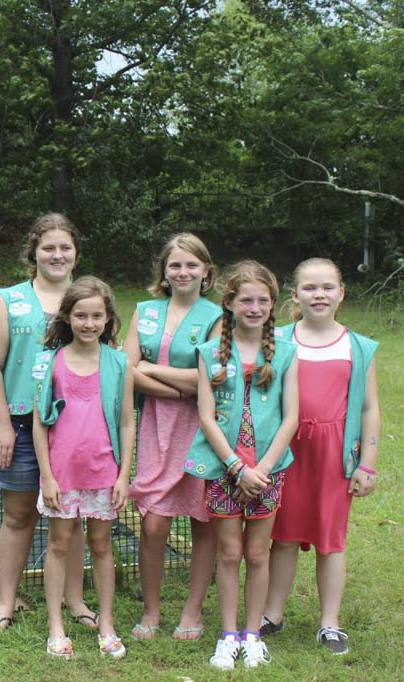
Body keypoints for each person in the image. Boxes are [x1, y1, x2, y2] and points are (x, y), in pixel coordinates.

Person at [0, 213, 98, 633]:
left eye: (65, 248)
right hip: (22, 425)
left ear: (76, 253)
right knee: (17, 516)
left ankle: (76, 600)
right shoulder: (8, 301)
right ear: (34, 252)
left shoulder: (87, 301)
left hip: (75, 427)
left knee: (73, 516)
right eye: (49, 247)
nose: (57, 255)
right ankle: (6, 602)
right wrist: (2, 425)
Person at [183, 260, 299, 670]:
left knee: (257, 554)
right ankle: (228, 635)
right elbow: (207, 416)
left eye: (263, 300)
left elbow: (291, 417)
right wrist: (236, 467)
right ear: (229, 303)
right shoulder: (208, 353)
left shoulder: (286, 353)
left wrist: (262, 469)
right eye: (245, 299)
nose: (254, 307)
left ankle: (253, 636)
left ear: (272, 305)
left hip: (268, 470)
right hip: (224, 470)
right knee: (229, 555)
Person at [261, 258, 380, 655]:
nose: (319, 294)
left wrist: (367, 462)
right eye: (310, 288)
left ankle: (330, 623)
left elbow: (368, 409)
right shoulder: (276, 339)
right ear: (294, 295)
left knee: (331, 540)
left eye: (328, 287)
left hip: (333, 454)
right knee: (283, 536)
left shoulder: (357, 346)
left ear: (342, 293)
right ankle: (271, 614)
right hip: (286, 450)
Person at [122, 233, 221, 642]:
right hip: (154, 427)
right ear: (164, 271)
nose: (183, 272)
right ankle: (151, 611)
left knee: (204, 522)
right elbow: (125, 370)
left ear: (206, 272)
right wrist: (184, 385)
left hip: (203, 429)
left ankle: (193, 611)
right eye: (176, 265)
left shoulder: (217, 316)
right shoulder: (144, 311)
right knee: (153, 524)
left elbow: (212, 376)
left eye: (192, 265)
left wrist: (153, 369)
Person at [32, 276, 135, 659]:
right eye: (81, 315)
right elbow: (41, 422)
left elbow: (126, 421)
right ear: (68, 318)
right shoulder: (52, 363)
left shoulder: (120, 363)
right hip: (62, 475)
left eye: (97, 316)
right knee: (58, 545)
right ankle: (55, 626)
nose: (89, 323)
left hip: (104, 475)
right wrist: (47, 475)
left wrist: (124, 474)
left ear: (108, 318)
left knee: (102, 546)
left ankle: (106, 624)